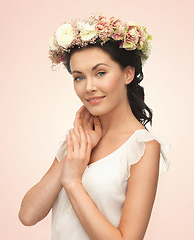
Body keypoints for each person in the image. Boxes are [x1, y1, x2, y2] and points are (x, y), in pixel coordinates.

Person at [18, 13, 171, 240]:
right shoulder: (77, 141)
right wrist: (74, 153)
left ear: (128, 73)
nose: (89, 87)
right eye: (79, 77)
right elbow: (28, 215)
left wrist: (72, 182)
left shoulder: (143, 148)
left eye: (100, 73)